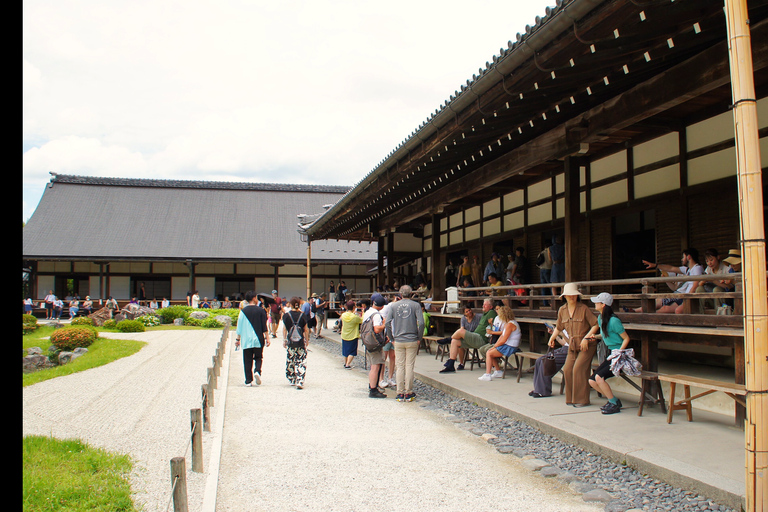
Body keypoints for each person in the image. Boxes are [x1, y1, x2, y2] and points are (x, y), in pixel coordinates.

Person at [547, 283, 598, 408]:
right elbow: (559, 327)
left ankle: (582, 400)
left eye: (574, 295)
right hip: (572, 345)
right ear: (564, 296)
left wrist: (586, 338)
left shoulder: (584, 308)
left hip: (587, 345)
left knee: (579, 369)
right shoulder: (562, 310)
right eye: (569, 295)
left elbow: (596, 325)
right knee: (568, 369)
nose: (572, 297)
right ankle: (571, 399)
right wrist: (552, 338)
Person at [584, 292, 631, 414]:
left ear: (603, 304)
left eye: (597, 302)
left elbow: (626, 338)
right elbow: (607, 336)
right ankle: (613, 400)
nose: (595, 304)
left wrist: (619, 352)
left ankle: (613, 404)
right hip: (611, 354)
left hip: (619, 355)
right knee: (592, 380)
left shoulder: (614, 321)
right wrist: (597, 336)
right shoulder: (600, 319)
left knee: (599, 377)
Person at [631, 248, 703, 314]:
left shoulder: (697, 268)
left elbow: (695, 285)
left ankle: (648, 316)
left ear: (688, 257)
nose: (682, 259)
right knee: (662, 304)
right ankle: (640, 313)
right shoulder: (687, 269)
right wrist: (656, 265)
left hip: (688, 297)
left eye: (683, 257)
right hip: (683, 296)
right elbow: (671, 268)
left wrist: (687, 299)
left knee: (667, 309)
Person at [385, 285, 424, 402]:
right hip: (412, 338)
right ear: (411, 293)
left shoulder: (394, 306)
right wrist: (419, 337)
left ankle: (400, 392)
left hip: (398, 339)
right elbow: (421, 323)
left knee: (400, 366)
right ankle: (409, 392)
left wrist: (391, 337)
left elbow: (387, 323)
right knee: (409, 366)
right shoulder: (416, 305)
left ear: (400, 294)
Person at [235, 291, 270, 387]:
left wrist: (237, 339)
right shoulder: (261, 311)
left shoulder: (243, 311)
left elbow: (239, 327)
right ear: (254, 298)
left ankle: (248, 380)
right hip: (258, 339)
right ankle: (257, 371)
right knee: (258, 357)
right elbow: (264, 326)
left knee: (247, 360)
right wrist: (267, 338)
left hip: (246, 340)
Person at [478, 305, 521, 381]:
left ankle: (488, 374)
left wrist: (495, 346)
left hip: (510, 346)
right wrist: (495, 345)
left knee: (489, 353)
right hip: (507, 344)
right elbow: (502, 336)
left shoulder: (511, 324)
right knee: (490, 352)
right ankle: (498, 371)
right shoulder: (507, 323)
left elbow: (504, 339)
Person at [439, 303, 486, 373]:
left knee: (460, 333)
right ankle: (452, 364)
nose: (469, 312)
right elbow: (462, 328)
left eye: (469, 310)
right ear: (464, 314)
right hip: (467, 337)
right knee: (455, 341)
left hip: (476, 337)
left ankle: (449, 339)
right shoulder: (463, 319)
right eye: (467, 312)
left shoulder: (479, 317)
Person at [529, 325, 569, 398]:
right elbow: (564, 343)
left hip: (570, 351)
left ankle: (543, 391)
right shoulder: (565, 327)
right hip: (564, 348)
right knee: (539, 360)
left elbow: (572, 343)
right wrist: (555, 334)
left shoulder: (573, 327)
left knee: (545, 362)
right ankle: (538, 389)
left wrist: (561, 334)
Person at [282, 297, 310, 389]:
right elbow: (306, 330)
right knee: (301, 361)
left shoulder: (286, 315)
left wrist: (284, 340)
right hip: (300, 342)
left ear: (290, 304)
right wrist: (307, 340)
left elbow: (285, 329)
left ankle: (292, 378)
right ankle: (300, 380)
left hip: (291, 342)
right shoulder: (303, 315)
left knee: (291, 360)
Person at [365, 294, 388, 398]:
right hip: (375, 344)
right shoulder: (376, 315)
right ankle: (373, 389)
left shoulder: (367, 312)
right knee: (375, 366)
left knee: (373, 366)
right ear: (382, 307)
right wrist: (384, 324)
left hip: (368, 342)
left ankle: (373, 386)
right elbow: (377, 329)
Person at [378, 294, 397, 389]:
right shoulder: (387, 307)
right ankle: (381, 379)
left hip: (395, 334)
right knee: (383, 357)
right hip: (386, 335)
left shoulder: (398, 308)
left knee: (393, 357)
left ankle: (390, 377)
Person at [340, 300, 362, 369]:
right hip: (353, 335)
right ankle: (348, 364)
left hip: (345, 334)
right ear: (353, 307)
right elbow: (361, 320)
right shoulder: (354, 317)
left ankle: (345, 362)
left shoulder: (343, 315)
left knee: (345, 350)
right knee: (352, 351)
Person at [537, 240, 553, 306]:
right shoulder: (551, 252)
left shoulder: (541, 253)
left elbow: (537, 263)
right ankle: (553, 301)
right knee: (551, 286)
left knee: (543, 287)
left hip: (541, 270)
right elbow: (551, 261)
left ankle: (545, 303)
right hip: (548, 269)